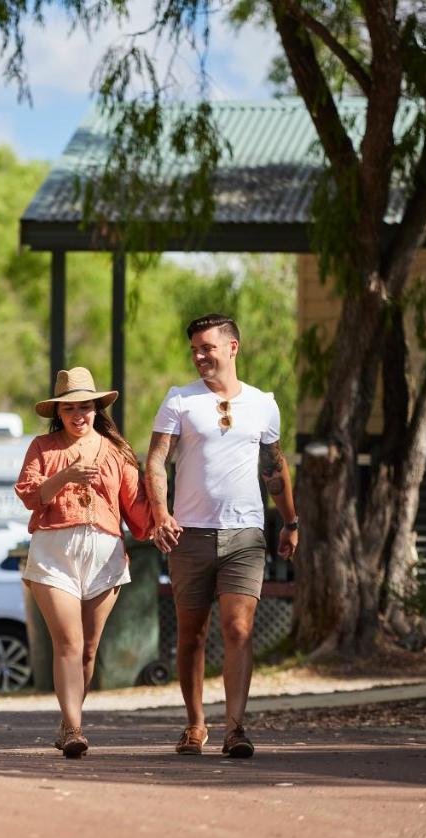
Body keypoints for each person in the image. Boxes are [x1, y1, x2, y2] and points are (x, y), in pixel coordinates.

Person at [146, 314, 297, 759]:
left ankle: (236, 728)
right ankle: (196, 724)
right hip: (188, 535)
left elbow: (274, 465)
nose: (198, 356)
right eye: (194, 349)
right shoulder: (179, 401)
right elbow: (155, 460)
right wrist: (160, 513)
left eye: (206, 348)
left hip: (245, 534)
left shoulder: (264, 404)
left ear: (232, 347)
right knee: (191, 634)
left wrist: (290, 522)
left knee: (238, 629)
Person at [15, 366, 154, 758]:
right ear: (57, 413)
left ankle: (68, 720)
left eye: (87, 407)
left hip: (104, 553)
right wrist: (67, 475)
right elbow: (28, 494)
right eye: (71, 409)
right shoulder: (43, 449)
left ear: (97, 409)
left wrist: (163, 512)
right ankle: (75, 728)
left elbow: (138, 513)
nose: (80, 416)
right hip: (54, 551)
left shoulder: (116, 451)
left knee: (89, 649)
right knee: (69, 643)